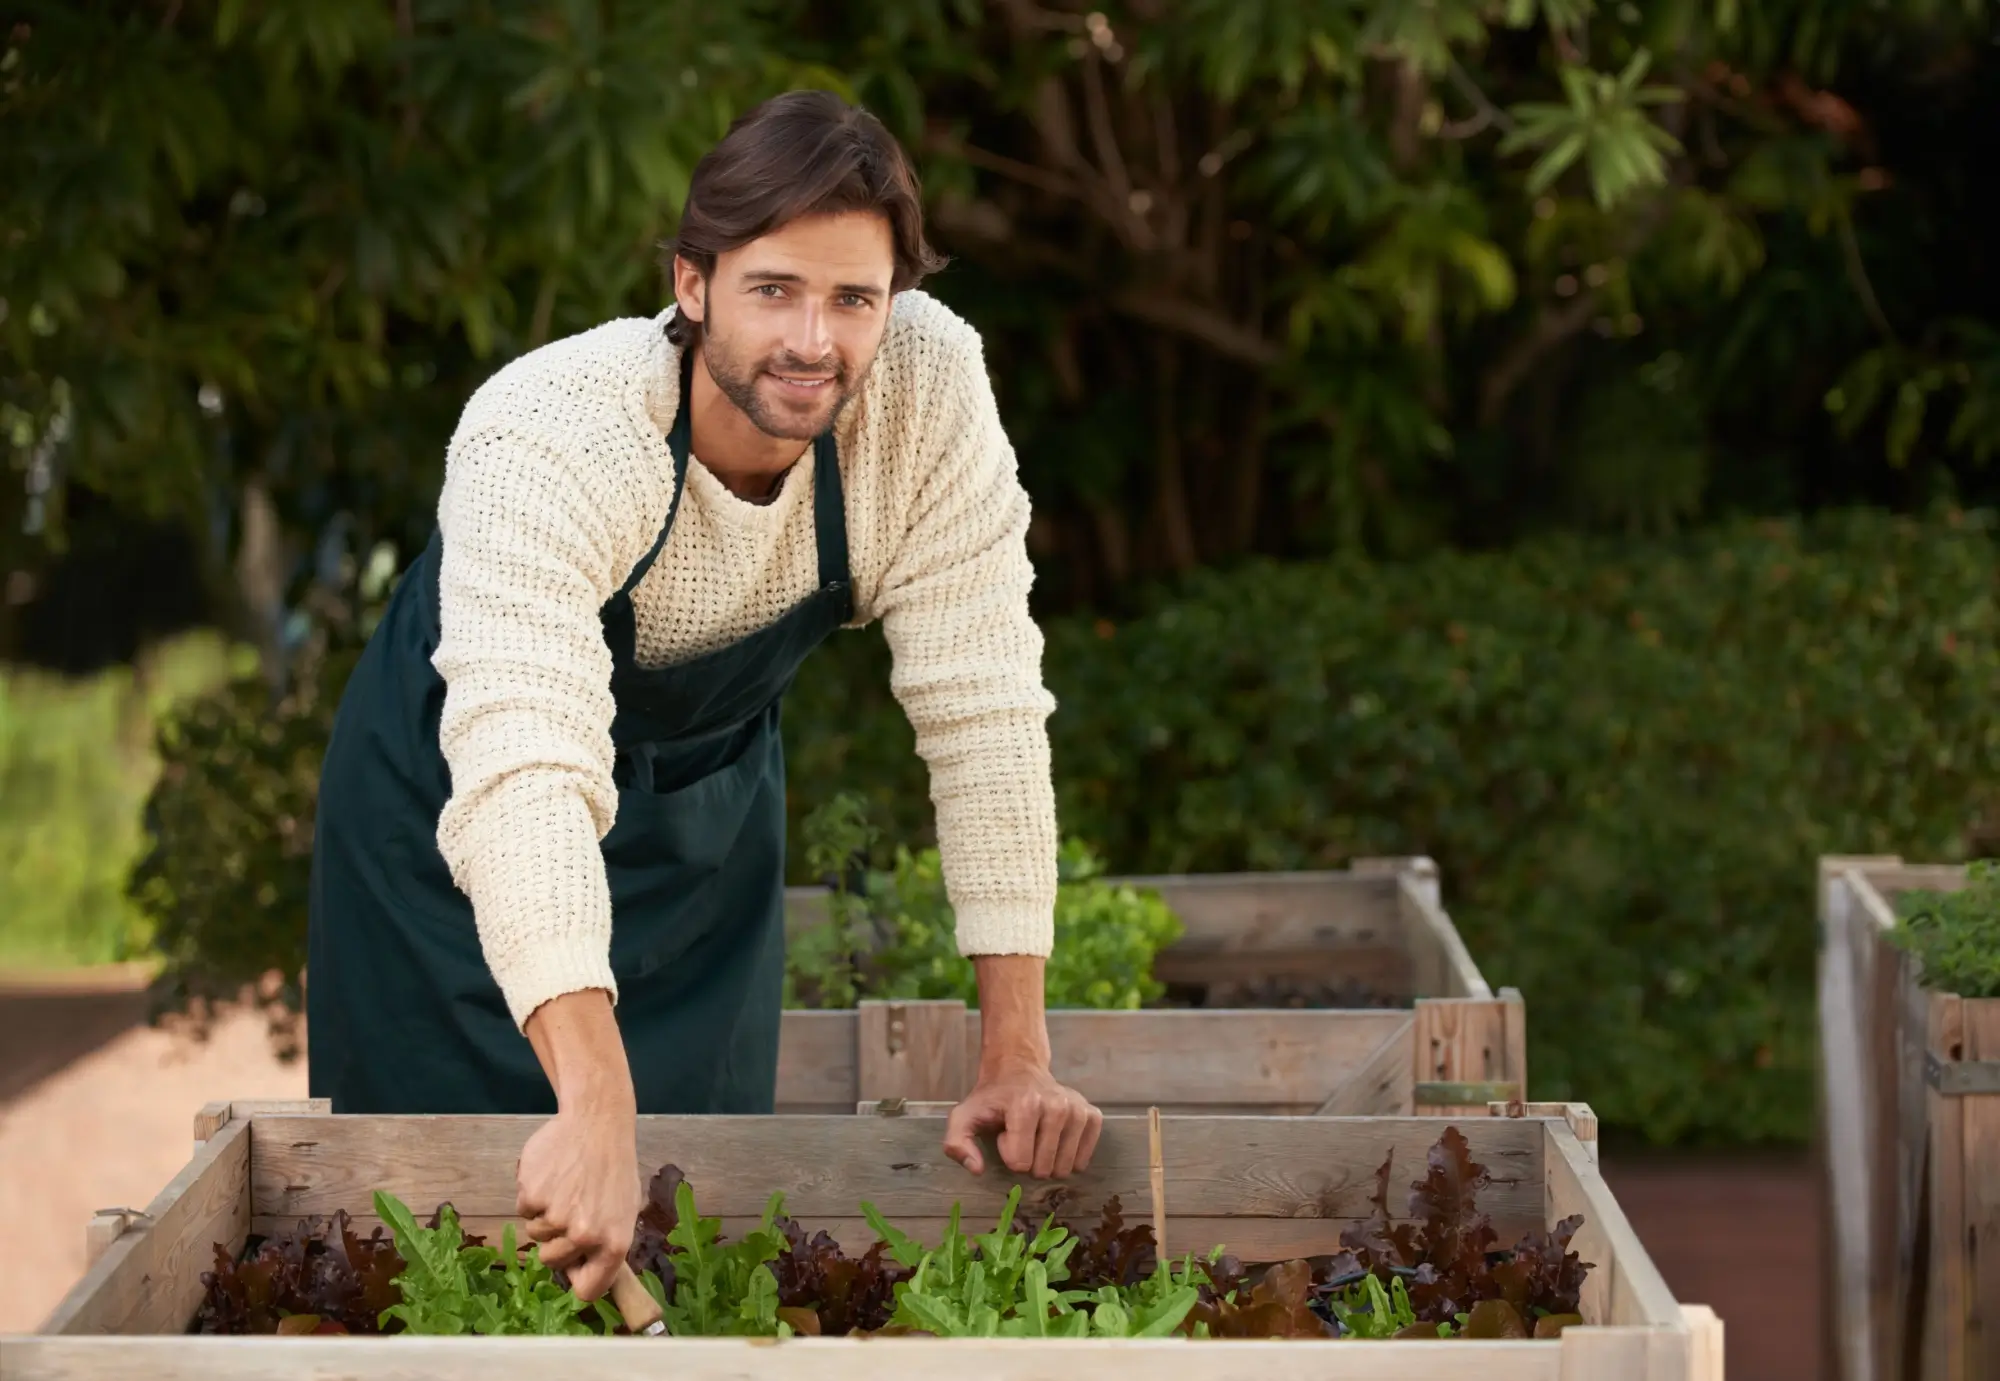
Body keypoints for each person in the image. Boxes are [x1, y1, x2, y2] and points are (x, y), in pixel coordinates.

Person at [304, 89, 1102, 1303]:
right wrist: (594, 1091)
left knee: (696, 1221)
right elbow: (524, 771)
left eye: (854, 299)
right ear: (692, 282)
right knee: (440, 1251)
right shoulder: (547, 430)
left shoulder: (927, 393)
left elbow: (985, 710)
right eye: (773, 289)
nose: (814, 342)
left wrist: (1015, 1051)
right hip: (450, 828)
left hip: (700, 829)